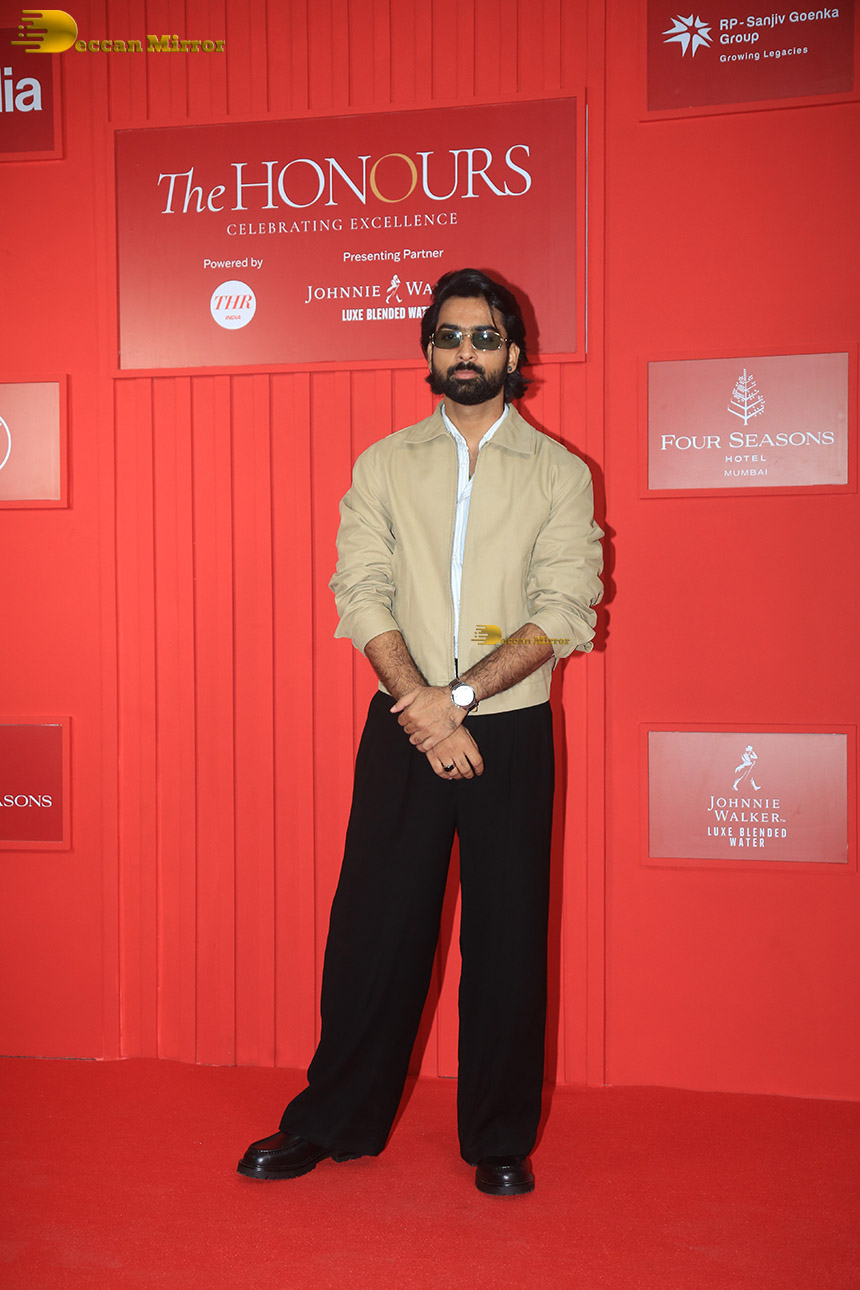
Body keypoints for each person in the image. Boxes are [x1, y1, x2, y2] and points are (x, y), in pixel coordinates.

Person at [238, 268, 603, 1196]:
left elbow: (566, 609)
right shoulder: (384, 464)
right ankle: (333, 1119)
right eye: (449, 337)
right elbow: (359, 589)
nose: (466, 352)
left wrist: (461, 700)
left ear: (514, 355)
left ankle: (498, 1137)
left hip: (509, 732)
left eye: (485, 337)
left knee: (508, 939)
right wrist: (424, 707)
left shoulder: (559, 473)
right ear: (430, 353)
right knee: (374, 929)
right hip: (405, 724)